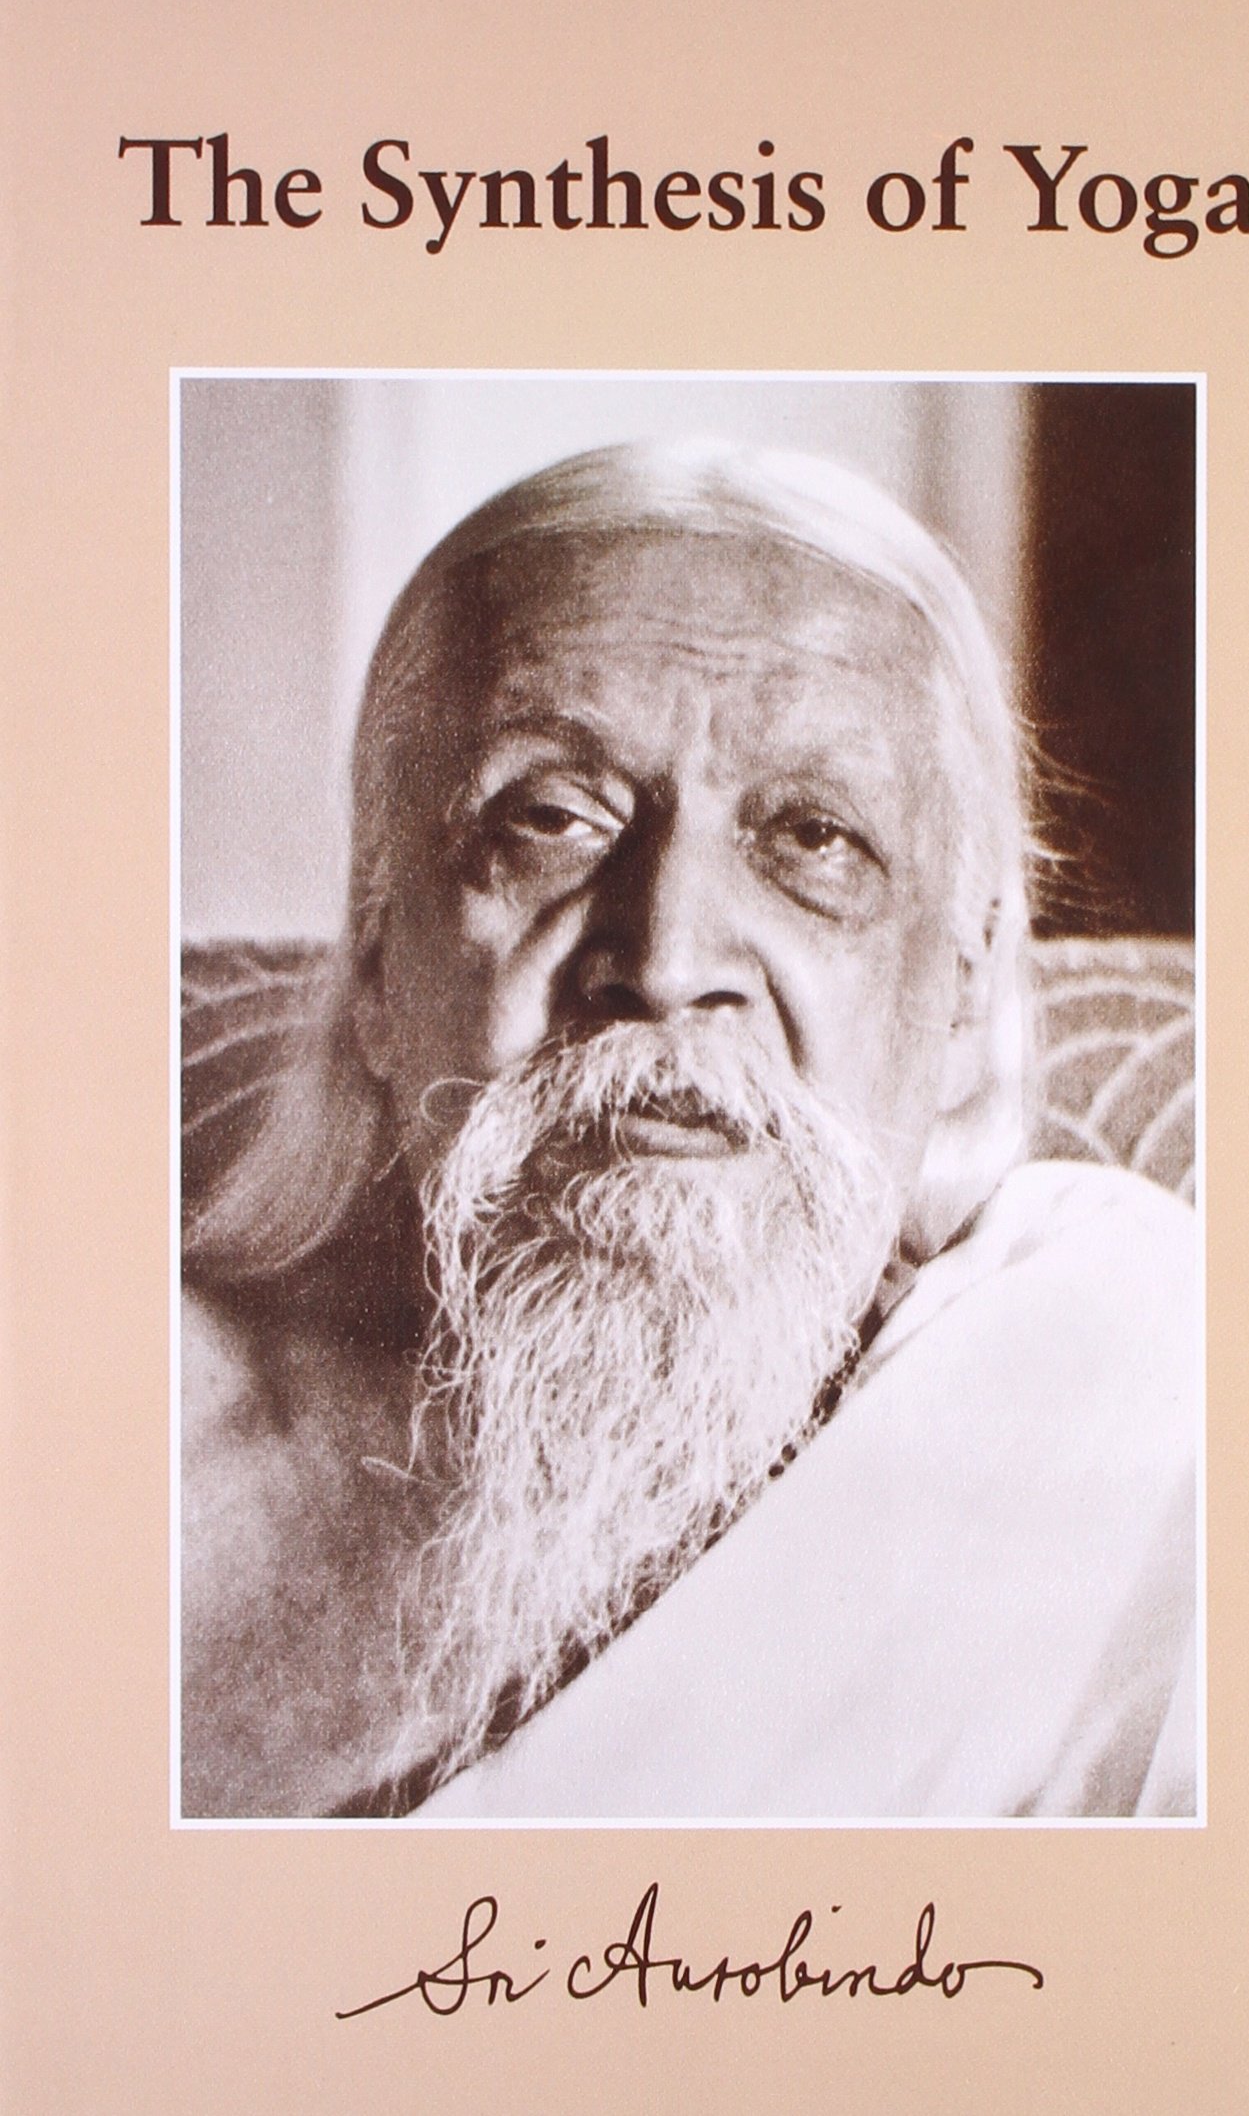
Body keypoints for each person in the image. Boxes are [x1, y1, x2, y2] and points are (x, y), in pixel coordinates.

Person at [180, 438, 1197, 1822]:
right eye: (551, 817)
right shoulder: (113, 1456)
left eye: (812, 838)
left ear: (964, 986)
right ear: (374, 962)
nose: (664, 961)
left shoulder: (1123, 1381)